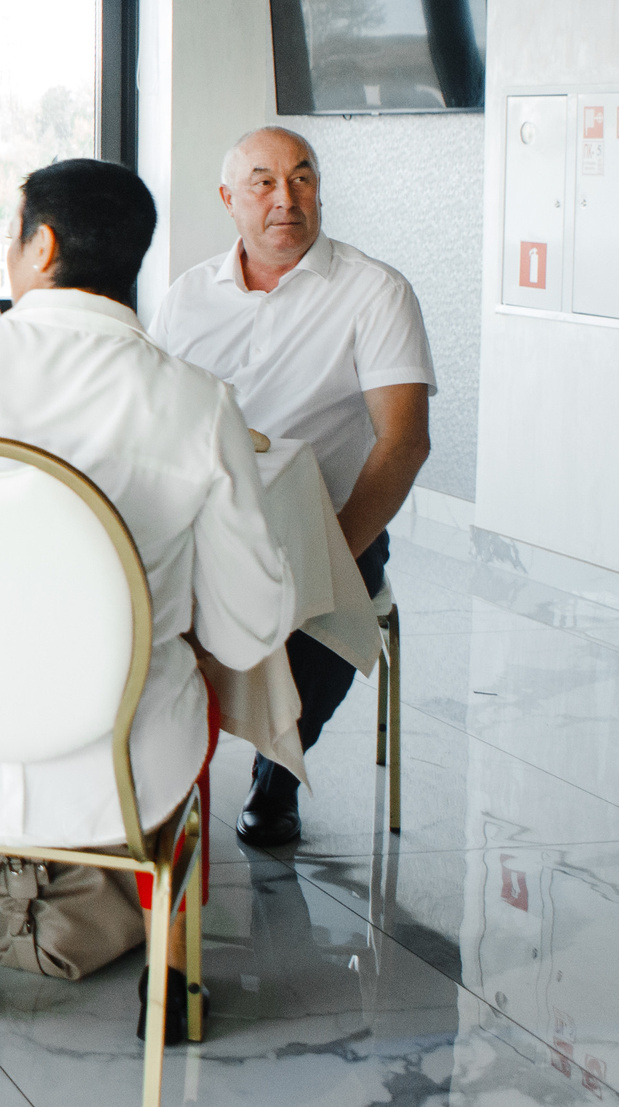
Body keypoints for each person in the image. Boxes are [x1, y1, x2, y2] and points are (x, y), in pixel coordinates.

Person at [0, 158, 294, 1036]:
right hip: (116, 763)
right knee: (187, 664)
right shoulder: (196, 403)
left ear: (44, 245)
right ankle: (170, 971)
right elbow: (253, 619)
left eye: (15, 231)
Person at [152, 127, 434, 851]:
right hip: (200, 522)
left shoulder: (374, 291)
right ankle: (146, 777)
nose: (287, 198)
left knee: (324, 598)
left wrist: (332, 548)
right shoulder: (188, 295)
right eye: (263, 181)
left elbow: (404, 440)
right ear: (228, 198)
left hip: (332, 523)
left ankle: (279, 767)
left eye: (303, 179)